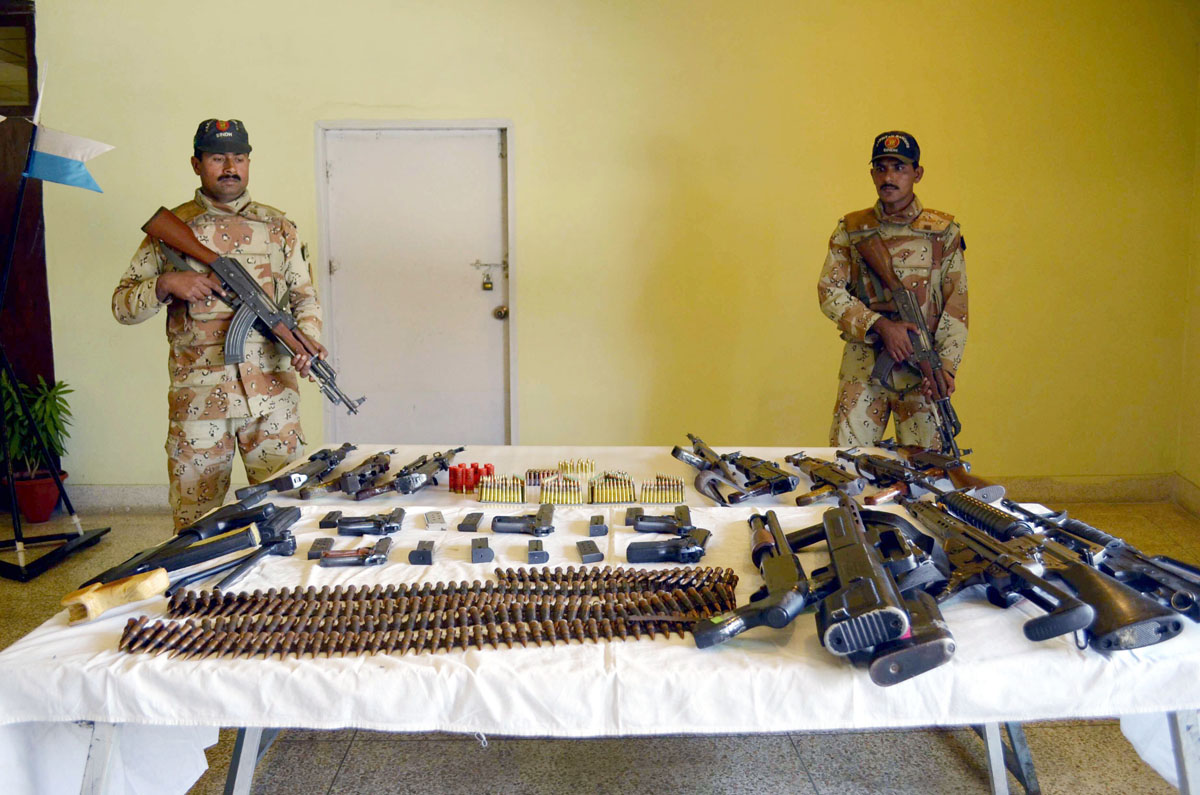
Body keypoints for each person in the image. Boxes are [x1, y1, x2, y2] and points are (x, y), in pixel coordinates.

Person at [113, 119, 326, 529]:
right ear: (197, 164)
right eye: (217, 158)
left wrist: (307, 342)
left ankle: (278, 597)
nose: (230, 166)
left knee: (287, 517)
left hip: (274, 402)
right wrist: (165, 284)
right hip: (199, 406)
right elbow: (122, 306)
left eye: (239, 157)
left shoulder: (279, 227)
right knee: (196, 524)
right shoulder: (172, 230)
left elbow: (304, 297)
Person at [817, 131, 968, 448]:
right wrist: (880, 326)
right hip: (863, 368)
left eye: (899, 168)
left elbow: (956, 307)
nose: (889, 176)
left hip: (922, 372)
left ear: (917, 173)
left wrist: (946, 369)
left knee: (929, 471)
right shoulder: (852, 229)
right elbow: (830, 291)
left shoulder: (943, 233)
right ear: (872, 174)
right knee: (847, 465)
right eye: (881, 168)